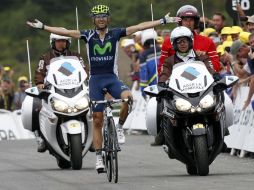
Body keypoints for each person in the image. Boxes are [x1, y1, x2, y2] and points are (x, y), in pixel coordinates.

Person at [26, 4, 181, 171]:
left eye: (104, 16)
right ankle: (99, 157)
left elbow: (139, 26)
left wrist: (163, 21)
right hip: (95, 81)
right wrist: (43, 27)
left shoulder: (115, 33)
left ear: (108, 18)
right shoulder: (88, 35)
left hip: (111, 78)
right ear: (93, 20)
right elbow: (67, 32)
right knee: (98, 119)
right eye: (97, 17)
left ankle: (120, 127)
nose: (101, 19)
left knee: (128, 97)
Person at [152, 26, 218, 146]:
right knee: (162, 101)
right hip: (180, 93)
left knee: (219, 95)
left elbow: (210, 68)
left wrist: (216, 76)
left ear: (190, 41)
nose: (182, 44)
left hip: (201, 90)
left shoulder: (201, 56)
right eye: (179, 41)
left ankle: (221, 133)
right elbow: (164, 73)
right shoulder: (169, 61)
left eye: (185, 40)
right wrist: (161, 83)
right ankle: (162, 132)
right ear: (174, 44)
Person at [34, 32, 85, 153]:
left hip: (75, 89)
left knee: (92, 104)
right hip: (53, 91)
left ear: (68, 42)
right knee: (36, 107)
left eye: (63, 41)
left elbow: (84, 70)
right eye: (58, 41)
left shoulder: (76, 56)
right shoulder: (45, 58)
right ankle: (40, 138)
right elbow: (39, 72)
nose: (61, 43)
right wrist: (39, 83)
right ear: (53, 43)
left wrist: (87, 78)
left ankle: (93, 137)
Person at [158, 5, 220, 75]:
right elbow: (161, 68)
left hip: (203, 81)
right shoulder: (168, 42)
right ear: (180, 22)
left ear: (195, 22)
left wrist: (202, 59)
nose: (188, 23)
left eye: (191, 20)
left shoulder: (207, 41)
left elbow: (216, 66)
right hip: (176, 82)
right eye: (185, 20)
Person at [139, 29, 161, 98]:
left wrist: (143, 90)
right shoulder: (163, 50)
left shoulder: (143, 55)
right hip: (167, 84)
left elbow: (144, 73)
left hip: (154, 88)